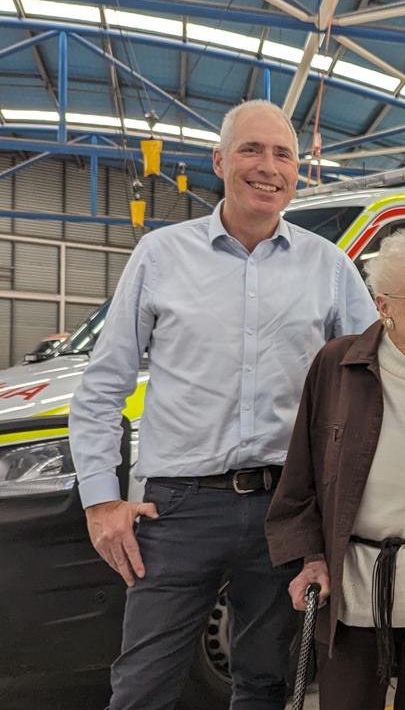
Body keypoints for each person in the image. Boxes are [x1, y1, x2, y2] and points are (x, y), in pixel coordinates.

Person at [68, 99, 377, 710]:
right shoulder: (161, 256)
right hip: (176, 510)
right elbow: (104, 383)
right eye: (251, 150)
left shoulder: (331, 268)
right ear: (219, 161)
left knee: (264, 682)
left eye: (283, 154)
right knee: (142, 686)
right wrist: (101, 500)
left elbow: (373, 384)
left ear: (298, 171)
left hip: (285, 508)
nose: (268, 167)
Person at [265, 228, 405, 709]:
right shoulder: (336, 366)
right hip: (351, 593)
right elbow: (300, 477)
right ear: (385, 306)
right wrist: (309, 557)